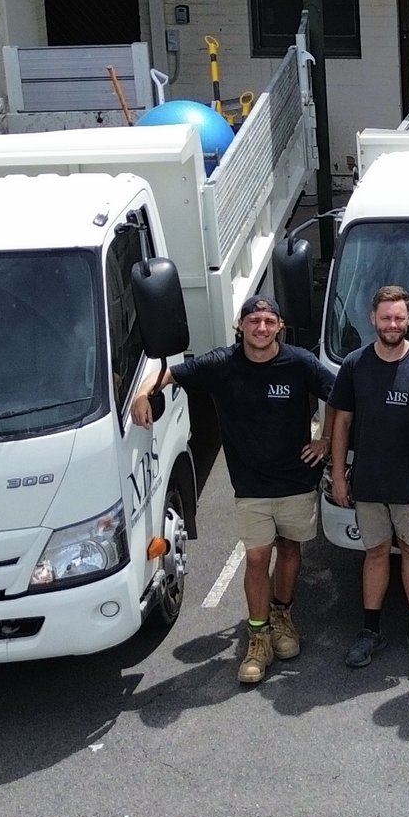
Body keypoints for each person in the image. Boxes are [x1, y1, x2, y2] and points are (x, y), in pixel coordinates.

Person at [132, 292, 335, 687]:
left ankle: (282, 616)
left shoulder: (299, 362)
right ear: (240, 326)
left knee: (291, 550)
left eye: (269, 322)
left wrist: (325, 439)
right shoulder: (221, 363)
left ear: (280, 327)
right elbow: (170, 373)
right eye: (253, 322)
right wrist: (143, 394)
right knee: (258, 560)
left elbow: (342, 397)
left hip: (296, 478)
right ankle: (258, 636)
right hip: (251, 485)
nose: (261, 328)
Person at [327, 285, 409, 671]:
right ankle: (370, 631)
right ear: (372, 320)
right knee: (376, 553)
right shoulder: (354, 364)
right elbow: (342, 422)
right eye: (386, 318)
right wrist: (338, 476)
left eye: (399, 318)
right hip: (368, 483)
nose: (393, 324)